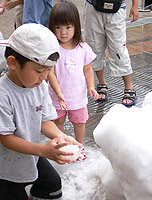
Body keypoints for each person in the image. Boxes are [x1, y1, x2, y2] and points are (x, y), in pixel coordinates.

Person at [0, 23, 81, 200]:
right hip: (6, 166)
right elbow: (6, 138)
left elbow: (44, 121)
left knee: (52, 186)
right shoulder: (3, 94)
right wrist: (44, 151)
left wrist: (61, 137)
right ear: (13, 63)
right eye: (38, 70)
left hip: (31, 154)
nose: (44, 77)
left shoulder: (39, 86)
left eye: (48, 70)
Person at [48, 1, 99, 145]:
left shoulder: (83, 48)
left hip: (77, 95)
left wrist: (91, 86)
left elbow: (87, 69)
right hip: (57, 96)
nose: (63, 32)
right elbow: (50, 74)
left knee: (79, 122)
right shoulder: (53, 48)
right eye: (58, 27)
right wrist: (59, 94)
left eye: (68, 27)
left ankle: (79, 145)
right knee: (58, 121)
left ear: (76, 26)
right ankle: (60, 144)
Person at [84, 0, 138, 106]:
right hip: (93, 7)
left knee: (119, 49)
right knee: (94, 48)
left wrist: (135, 5)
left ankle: (129, 87)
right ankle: (101, 83)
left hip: (117, 8)